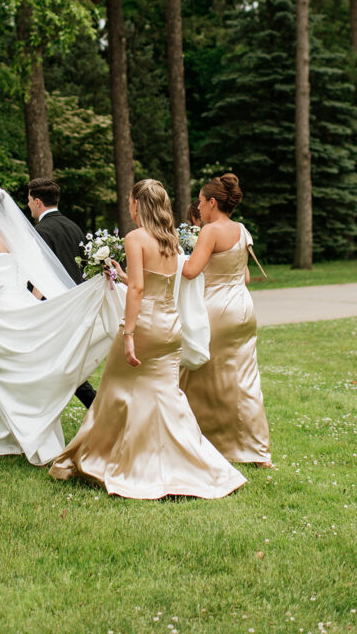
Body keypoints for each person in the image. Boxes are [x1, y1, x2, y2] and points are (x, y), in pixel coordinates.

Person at [48, 179, 246, 499]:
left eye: (130, 200)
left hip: (145, 327)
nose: (129, 205)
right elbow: (156, 283)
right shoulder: (170, 241)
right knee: (167, 398)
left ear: (137, 205)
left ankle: (102, 458)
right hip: (171, 328)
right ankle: (200, 465)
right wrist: (122, 275)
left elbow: (139, 291)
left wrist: (128, 333)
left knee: (113, 393)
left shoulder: (136, 237)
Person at [0, 188, 123, 465]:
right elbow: (32, 281)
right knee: (24, 373)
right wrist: (44, 304)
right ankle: (22, 430)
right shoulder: (20, 237)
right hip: (24, 305)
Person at [178, 173, 272, 467]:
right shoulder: (242, 230)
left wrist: (171, 258)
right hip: (243, 308)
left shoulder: (210, 231)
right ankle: (257, 451)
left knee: (192, 373)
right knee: (244, 379)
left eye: (202, 202)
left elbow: (191, 271)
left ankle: (194, 440)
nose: (200, 208)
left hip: (215, 309)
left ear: (213, 202)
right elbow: (244, 275)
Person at [27, 177, 96, 408]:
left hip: (52, 308)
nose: (28, 206)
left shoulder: (41, 231)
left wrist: (31, 306)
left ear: (37, 201)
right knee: (63, 365)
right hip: (77, 304)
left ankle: (96, 405)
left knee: (56, 364)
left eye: (28, 200)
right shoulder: (74, 227)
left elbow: (39, 273)